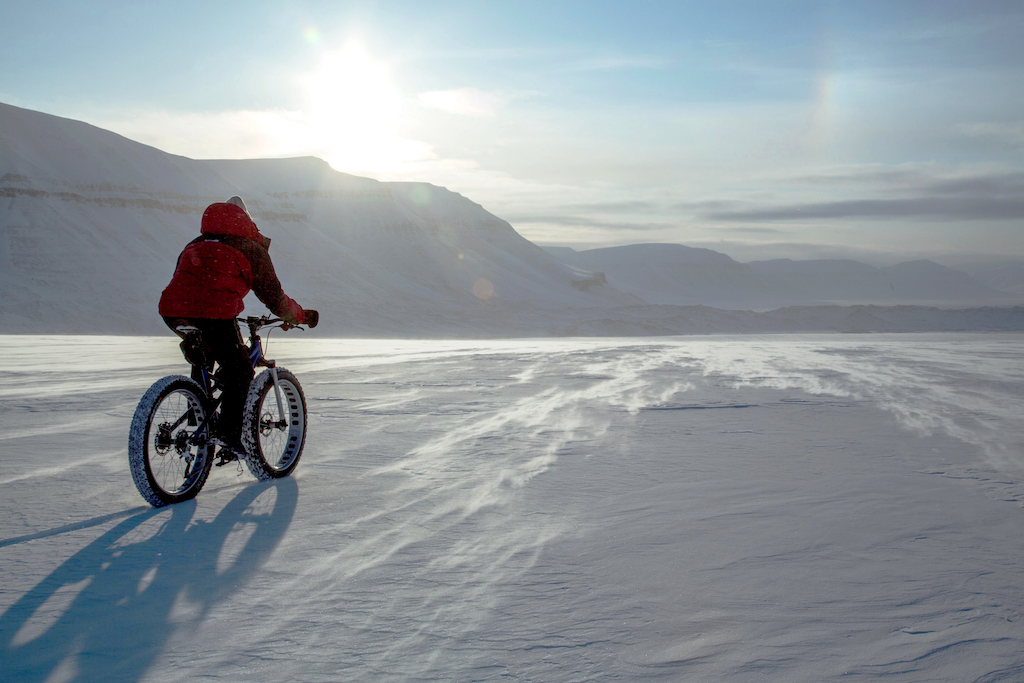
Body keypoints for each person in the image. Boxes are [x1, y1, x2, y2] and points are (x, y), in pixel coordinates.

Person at [159, 196, 312, 457]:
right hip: (215, 312)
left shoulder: (195, 243)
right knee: (239, 369)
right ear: (247, 220)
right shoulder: (250, 247)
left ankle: (199, 421)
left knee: (204, 357)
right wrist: (297, 316)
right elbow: (274, 297)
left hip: (174, 311)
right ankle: (229, 436)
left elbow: (185, 281)